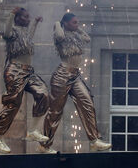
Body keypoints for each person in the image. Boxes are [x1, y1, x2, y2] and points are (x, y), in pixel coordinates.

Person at [38, 13, 112, 153]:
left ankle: (94, 140)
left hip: (75, 76)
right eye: (74, 23)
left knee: (88, 103)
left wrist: (77, 29)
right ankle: (45, 145)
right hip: (62, 76)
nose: (77, 25)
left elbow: (87, 38)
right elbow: (59, 36)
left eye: (78, 22)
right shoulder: (60, 35)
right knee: (55, 112)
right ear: (65, 23)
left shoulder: (76, 36)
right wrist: (57, 23)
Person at [0, 7, 49, 154]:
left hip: (28, 71)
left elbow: (30, 37)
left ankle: (33, 130)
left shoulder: (25, 33)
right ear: (18, 18)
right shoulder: (12, 32)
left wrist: (35, 22)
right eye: (25, 17)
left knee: (43, 93)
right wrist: (11, 14)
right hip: (15, 70)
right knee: (13, 104)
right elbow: (7, 32)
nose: (27, 19)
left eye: (28, 17)